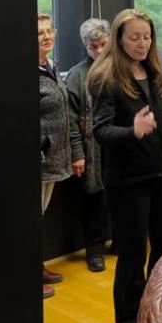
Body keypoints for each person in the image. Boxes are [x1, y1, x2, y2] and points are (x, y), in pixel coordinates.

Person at [88, 9, 162, 323]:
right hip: (127, 182)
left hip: (160, 173)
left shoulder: (151, 70)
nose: (142, 43)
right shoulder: (106, 78)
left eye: (147, 37)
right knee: (133, 257)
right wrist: (133, 131)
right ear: (118, 39)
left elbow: (151, 119)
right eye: (134, 37)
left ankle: (156, 313)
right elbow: (101, 131)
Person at [64, 18, 112, 273]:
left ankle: (120, 241)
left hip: (119, 143)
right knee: (94, 200)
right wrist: (77, 153)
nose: (99, 50)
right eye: (93, 47)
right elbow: (70, 120)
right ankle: (95, 250)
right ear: (86, 47)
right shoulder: (77, 75)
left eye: (103, 44)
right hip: (92, 148)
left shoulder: (120, 68)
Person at [38, 12, 72, 299]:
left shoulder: (51, 66)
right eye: (40, 33)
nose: (47, 36)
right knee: (30, 217)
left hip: (54, 156)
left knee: (40, 214)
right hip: (38, 158)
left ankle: (37, 266)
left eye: (50, 31)